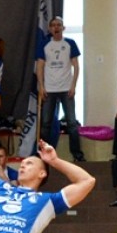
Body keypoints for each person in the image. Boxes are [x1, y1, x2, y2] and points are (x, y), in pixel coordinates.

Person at [36, 16, 85, 162]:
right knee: (46, 123)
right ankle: (43, 153)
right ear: (50, 29)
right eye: (53, 25)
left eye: (59, 25)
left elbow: (76, 66)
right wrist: (41, 86)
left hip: (66, 88)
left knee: (72, 123)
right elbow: (40, 67)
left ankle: (77, 155)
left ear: (63, 28)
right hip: (49, 89)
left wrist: (73, 85)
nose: (56, 27)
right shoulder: (44, 44)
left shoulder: (70, 43)